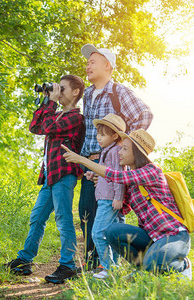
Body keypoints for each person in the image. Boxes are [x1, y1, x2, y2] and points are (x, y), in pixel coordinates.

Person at [62, 129, 192, 279]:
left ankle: (183, 265)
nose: (119, 153)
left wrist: (82, 160)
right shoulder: (132, 183)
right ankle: (143, 268)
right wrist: (100, 181)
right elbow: (121, 207)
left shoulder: (152, 171)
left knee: (153, 264)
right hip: (151, 237)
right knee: (112, 231)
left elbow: (116, 175)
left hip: (173, 236)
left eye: (124, 149)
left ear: (136, 153)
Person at [4, 75, 86, 284]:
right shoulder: (56, 114)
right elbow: (35, 126)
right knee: (37, 217)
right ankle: (24, 261)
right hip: (49, 176)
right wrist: (46, 100)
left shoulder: (76, 117)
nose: (59, 91)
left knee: (63, 219)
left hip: (64, 175)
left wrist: (50, 102)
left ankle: (67, 265)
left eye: (63, 88)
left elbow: (48, 128)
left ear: (76, 92)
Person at [78, 45, 153, 270]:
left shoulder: (118, 91)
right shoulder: (88, 94)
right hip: (91, 162)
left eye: (93, 61)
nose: (88, 65)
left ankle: (106, 266)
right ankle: (99, 263)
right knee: (86, 211)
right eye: (87, 62)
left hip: (111, 164)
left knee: (105, 213)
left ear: (107, 65)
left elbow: (145, 114)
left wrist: (125, 146)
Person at [83, 113, 127, 279]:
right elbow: (105, 174)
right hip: (105, 198)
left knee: (97, 233)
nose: (98, 138)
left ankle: (108, 268)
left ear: (115, 136)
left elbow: (119, 175)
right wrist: (92, 174)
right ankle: (115, 268)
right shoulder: (106, 151)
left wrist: (118, 197)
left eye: (102, 134)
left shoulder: (115, 151)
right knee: (112, 234)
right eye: (97, 134)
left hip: (109, 200)